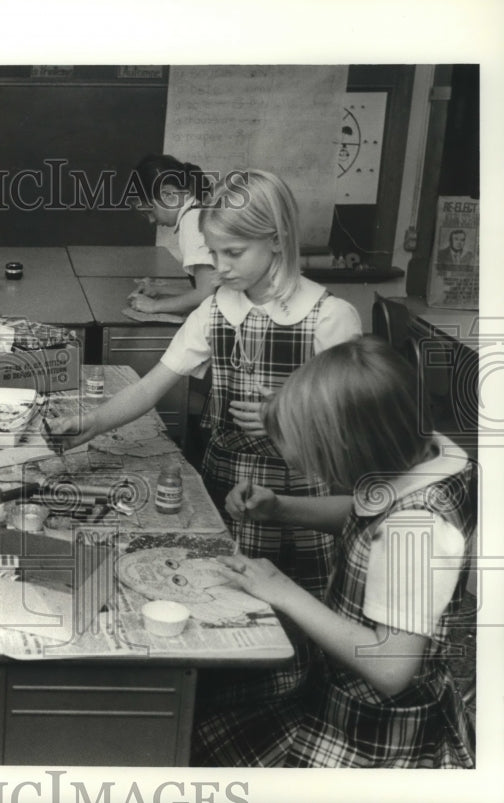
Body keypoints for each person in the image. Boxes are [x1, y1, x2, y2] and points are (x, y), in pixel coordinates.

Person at [51, 169, 362, 600]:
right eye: (214, 254)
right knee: (219, 597)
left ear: (277, 238)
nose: (219, 268)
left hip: (298, 495)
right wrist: (93, 422)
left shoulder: (330, 317)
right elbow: (150, 386)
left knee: (289, 610)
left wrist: (289, 415)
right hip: (222, 482)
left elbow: (353, 423)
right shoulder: (215, 310)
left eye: (233, 253)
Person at [192, 337, 475, 767]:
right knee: (210, 709)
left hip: (375, 730)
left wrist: (283, 590)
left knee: (208, 741)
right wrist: (281, 508)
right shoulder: (421, 453)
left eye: (311, 459)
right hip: (336, 687)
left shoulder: (416, 532)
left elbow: (391, 668)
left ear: (350, 454)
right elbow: (364, 513)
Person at [126, 153, 218, 316]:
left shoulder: (192, 221)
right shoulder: (198, 209)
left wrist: (155, 306)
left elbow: (206, 294)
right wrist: (161, 290)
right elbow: (212, 286)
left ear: (168, 194)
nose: (151, 220)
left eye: (149, 211)